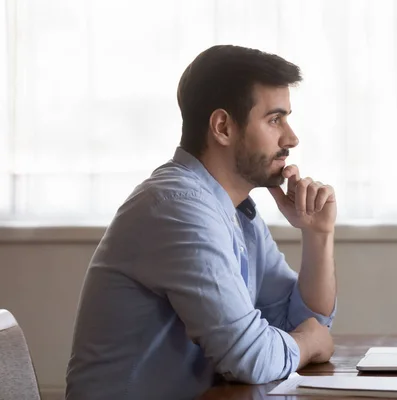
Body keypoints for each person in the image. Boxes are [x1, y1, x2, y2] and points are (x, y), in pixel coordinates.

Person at [65, 44, 337, 399]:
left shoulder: (235, 210)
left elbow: (299, 321)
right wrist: (310, 344)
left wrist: (317, 234)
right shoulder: (177, 207)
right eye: (275, 120)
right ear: (223, 127)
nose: (291, 138)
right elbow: (251, 357)